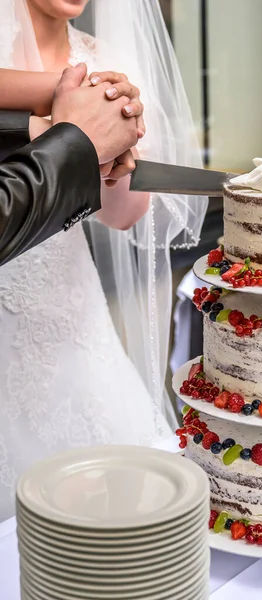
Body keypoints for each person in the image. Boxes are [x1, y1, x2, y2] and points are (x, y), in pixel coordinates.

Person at [0, 0, 207, 521]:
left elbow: (122, 215)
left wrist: (114, 157)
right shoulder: (87, 79)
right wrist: (76, 112)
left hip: (71, 308)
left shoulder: (105, 62)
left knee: (120, 503)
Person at [0, 63, 144, 265]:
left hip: (68, 269)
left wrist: (101, 106)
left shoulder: (105, 60)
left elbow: (124, 217)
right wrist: (71, 137)